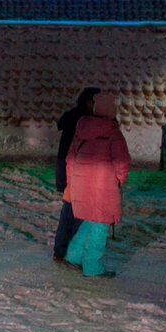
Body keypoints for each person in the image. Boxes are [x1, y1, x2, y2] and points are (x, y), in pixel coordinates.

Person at [64, 92, 131, 278]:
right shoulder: (113, 133)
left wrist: (72, 182)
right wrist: (120, 179)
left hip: (81, 183)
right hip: (104, 186)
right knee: (100, 225)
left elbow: (70, 158)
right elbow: (122, 162)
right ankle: (93, 268)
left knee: (90, 219)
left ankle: (74, 256)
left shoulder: (82, 129)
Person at [53, 86, 99, 264]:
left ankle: (61, 250)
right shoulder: (89, 121)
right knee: (77, 212)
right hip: (79, 171)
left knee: (69, 210)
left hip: (69, 168)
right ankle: (71, 252)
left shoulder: (73, 115)